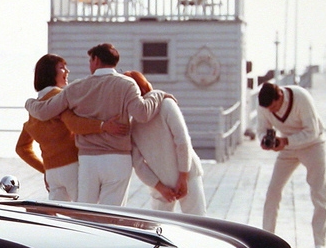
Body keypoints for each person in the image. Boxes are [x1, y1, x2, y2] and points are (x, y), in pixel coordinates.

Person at [25, 43, 166, 206]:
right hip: (117, 158)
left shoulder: (77, 87)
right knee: (112, 214)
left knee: (85, 214)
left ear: (96, 60)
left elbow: (44, 111)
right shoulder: (127, 84)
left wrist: (28, 103)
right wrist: (157, 95)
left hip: (88, 160)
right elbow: (142, 113)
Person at [16, 54, 128, 201]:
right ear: (50, 73)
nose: (67, 71)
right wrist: (103, 126)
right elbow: (74, 123)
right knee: (84, 215)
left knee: (58, 219)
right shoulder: (61, 98)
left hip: (52, 174)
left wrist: (45, 168)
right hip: (73, 167)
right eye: (62, 67)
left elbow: (21, 148)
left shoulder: (34, 109)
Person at [257, 81, 326, 248]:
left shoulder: (301, 97)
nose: (272, 112)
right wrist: (265, 140)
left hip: (313, 146)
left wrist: (285, 141)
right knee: (273, 192)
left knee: (318, 193)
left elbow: (312, 131)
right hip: (286, 148)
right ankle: (267, 240)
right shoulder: (265, 105)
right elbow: (262, 129)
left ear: (280, 95)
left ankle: (320, 244)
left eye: (274, 108)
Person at [123, 71, 206, 215]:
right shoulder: (167, 104)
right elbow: (182, 141)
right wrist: (183, 176)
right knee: (199, 222)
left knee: (158, 227)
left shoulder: (133, 125)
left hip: (160, 181)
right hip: (188, 173)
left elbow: (138, 165)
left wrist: (160, 187)